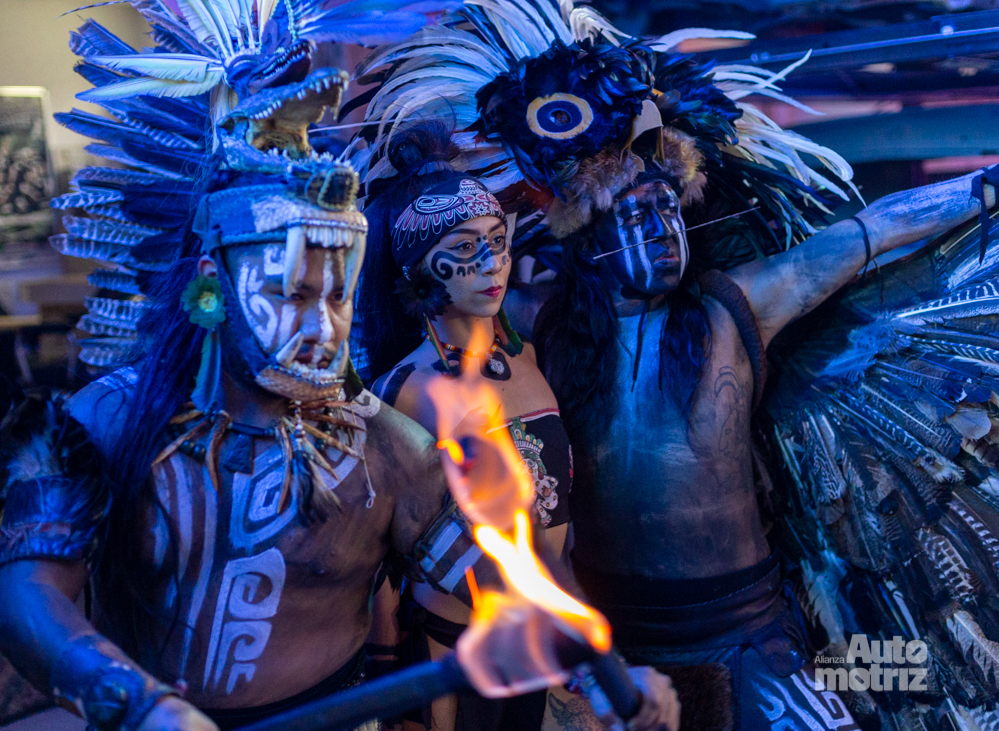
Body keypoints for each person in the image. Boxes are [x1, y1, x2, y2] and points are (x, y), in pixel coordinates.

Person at [0, 5, 681, 731]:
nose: (322, 326)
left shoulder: (385, 448)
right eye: (290, 294)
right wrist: (142, 705)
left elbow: (507, 574)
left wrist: (600, 669)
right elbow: (25, 601)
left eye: (337, 295)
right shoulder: (104, 422)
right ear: (213, 287)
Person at [354, 1, 999, 727]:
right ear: (588, 238)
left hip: (746, 630)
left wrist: (981, 188)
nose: (663, 231)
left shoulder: (730, 308)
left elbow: (866, 232)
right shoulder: (544, 333)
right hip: (613, 639)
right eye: (637, 216)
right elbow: (452, 286)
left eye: (669, 211)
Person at [356, 123, 574, 731]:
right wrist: (388, 685)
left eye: (497, 241)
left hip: (543, 637)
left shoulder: (530, 360)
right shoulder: (404, 391)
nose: (491, 263)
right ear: (420, 271)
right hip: (453, 653)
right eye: (465, 247)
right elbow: (378, 557)